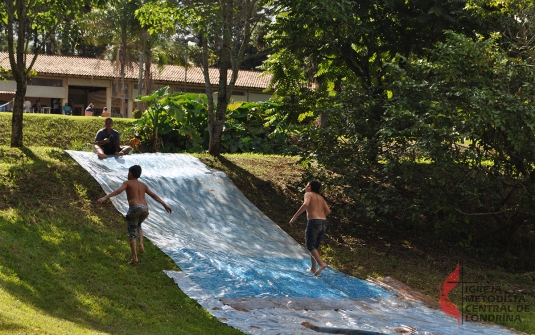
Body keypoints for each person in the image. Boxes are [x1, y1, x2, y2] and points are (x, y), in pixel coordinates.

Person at [97, 165, 172, 264]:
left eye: (129, 172)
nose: (128, 174)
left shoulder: (127, 183)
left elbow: (118, 191)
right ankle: (141, 244)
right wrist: (165, 204)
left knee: (132, 231)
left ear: (131, 173)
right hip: (145, 209)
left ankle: (134, 257)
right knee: (138, 225)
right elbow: (154, 195)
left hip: (135, 208)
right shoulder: (143, 185)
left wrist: (105, 197)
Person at [289, 180, 331, 276]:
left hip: (314, 222)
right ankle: (313, 268)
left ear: (310, 187)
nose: (306, 187)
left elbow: (306, 204)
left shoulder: (308, 194)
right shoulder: (321, 197)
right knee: (315, 246)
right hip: (323, 222)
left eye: (307, 185)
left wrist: (295, 216)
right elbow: (328, 211)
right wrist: (320, 216)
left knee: (309, 245)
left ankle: (321, 264)